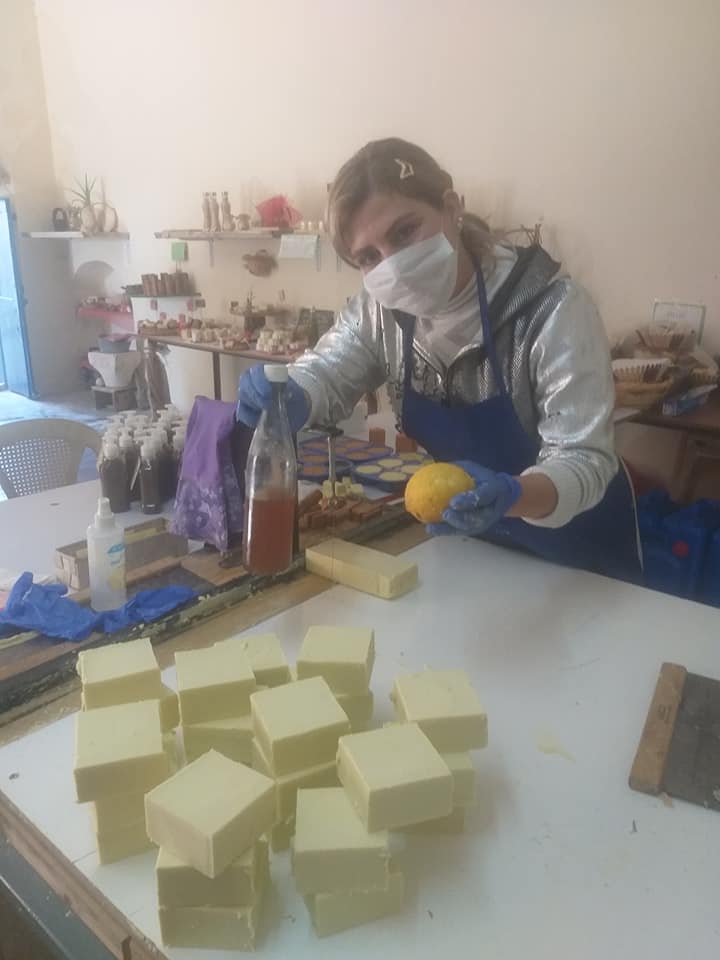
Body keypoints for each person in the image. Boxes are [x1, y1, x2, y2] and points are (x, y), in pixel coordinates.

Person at [237, 138, 641, 582]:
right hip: (476, 548)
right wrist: (296, 390)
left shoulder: (550, 308)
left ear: (451, 208)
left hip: (585, 558)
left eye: (404, 232)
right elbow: (329, 370)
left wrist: (513, 494)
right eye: (369, 257)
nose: (394, 265)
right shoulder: (380, 313)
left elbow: (584, 459)